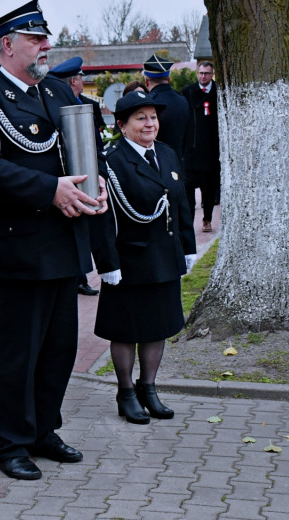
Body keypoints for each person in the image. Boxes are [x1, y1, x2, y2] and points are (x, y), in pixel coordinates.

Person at [0, 0, 107, 481]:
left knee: (58, 348)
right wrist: (50, 190)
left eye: (45, 38)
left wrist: (92, 185)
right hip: (16, 247)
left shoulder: (57, 91)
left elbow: (85, 149)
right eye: (36, 39)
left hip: (62, 241)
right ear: (7, 46)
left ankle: (44, 429)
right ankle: (10, 443)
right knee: (15, 353)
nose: (46, 45)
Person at [92, 91, 196, 425]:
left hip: (164, 257)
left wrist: (189, 246)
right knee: (125, 329)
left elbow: (180, 204)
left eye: (153, 116)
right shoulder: (111, 161)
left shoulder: (166, 154)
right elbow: (103, 218)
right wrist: (107, 264)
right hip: (130, 261)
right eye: (141, 118)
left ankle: (148, 387)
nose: (150, 123)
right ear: (122, 125)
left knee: (157, 327)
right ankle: (125, 392)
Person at [48, 56, 104, 296]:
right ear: (73, 80)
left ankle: (81, 274)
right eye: (80, 77)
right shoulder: (55, 104)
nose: (82, 82)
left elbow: (96, 137)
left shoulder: (88, 104)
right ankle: (79, 278)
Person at [181, 61, 221, 233]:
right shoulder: (188, 92)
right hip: (191, 148)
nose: (203, 76)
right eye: (201, 73)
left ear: (212, 75)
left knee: (208, 187)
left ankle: (207, 218)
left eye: (207, 73)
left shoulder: (219, 92)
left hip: (211, 149)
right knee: (188, 186)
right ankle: (189, 220)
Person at [143, 55, 187, 162]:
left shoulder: (148, 103)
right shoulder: (183, 100)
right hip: (180, 164)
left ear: (147, 82)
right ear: (169, 79)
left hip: (157, 165)